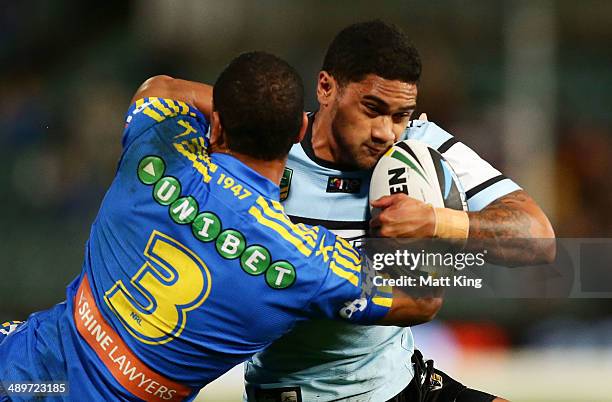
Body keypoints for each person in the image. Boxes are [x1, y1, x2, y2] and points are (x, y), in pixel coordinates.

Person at [157, 21, 555, 402]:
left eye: (401, 115)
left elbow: (539, 238)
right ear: (326, 87)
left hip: (401, 384)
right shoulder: (272, 144)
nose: (386, 132)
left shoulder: (421, 147)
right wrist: (257, 109)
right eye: (372, 108)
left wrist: (437, 221)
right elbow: (162, 90)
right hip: (296, 392)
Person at [0, 51, 432, 402]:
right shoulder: (303, 260)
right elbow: (422, 300)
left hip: (23, 368)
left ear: (218, 122)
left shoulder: (158, 148)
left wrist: (249, 110)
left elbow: (161, 87)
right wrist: (430, 213)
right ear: (300, 130)